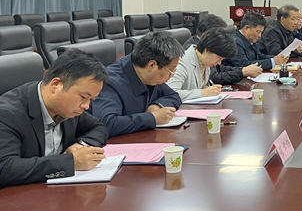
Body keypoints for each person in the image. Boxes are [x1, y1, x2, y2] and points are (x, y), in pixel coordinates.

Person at [0, 49, 109, 188]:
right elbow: (5, 168)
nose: (86, 106)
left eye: (91, 100)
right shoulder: (7, 114)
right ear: (55, 85)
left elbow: (98, 127)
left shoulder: (68, 108)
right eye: (83, 97)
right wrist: (71, 162)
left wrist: (81, 145)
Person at [91, 32, 183, 137]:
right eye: (170, 71)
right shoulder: (111, 82)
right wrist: (152, 118)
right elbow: (106, 124)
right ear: (151, 65)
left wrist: (156, 105)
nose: (171, 76)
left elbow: (173, 96)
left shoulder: (149, 76)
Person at [167, 29, 238, 101]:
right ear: (207, 50)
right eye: (219, 58)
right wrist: (203, 93)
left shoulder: (204, 61)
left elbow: (200, 85)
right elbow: (170, 94)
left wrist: (207, 88)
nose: (219, 63)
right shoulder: (181, 62)